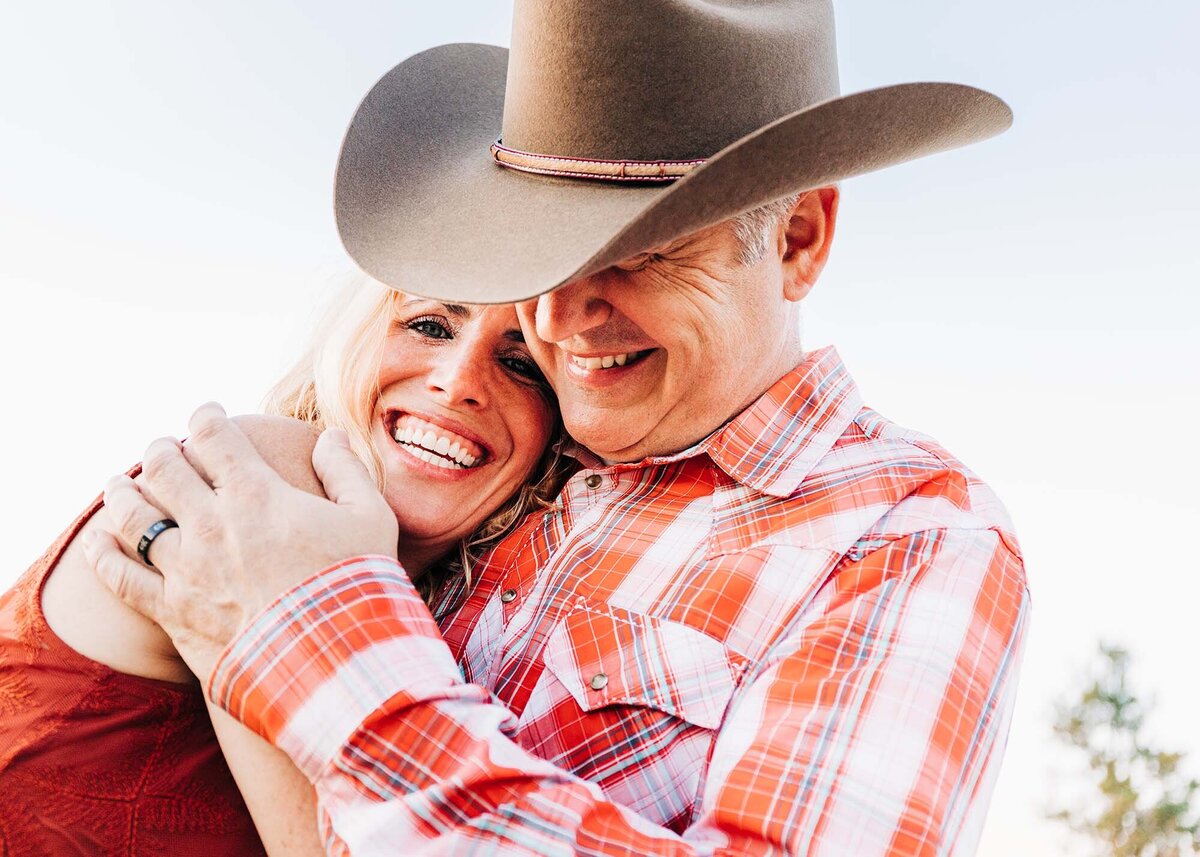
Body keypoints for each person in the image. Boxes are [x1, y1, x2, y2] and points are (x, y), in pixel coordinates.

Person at [89, 0, 1031, 854]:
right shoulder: (491, 461)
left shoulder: (905, 535)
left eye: (641, 251)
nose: (562, 318)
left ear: (798, 240)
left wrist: (303, 633)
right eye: (535, 249)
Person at [0, 278, 566, 854]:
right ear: (352, 343)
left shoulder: (452, 614)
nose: (460, 382)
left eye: (522, 365)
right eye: (428, 327)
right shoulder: (270, 470)